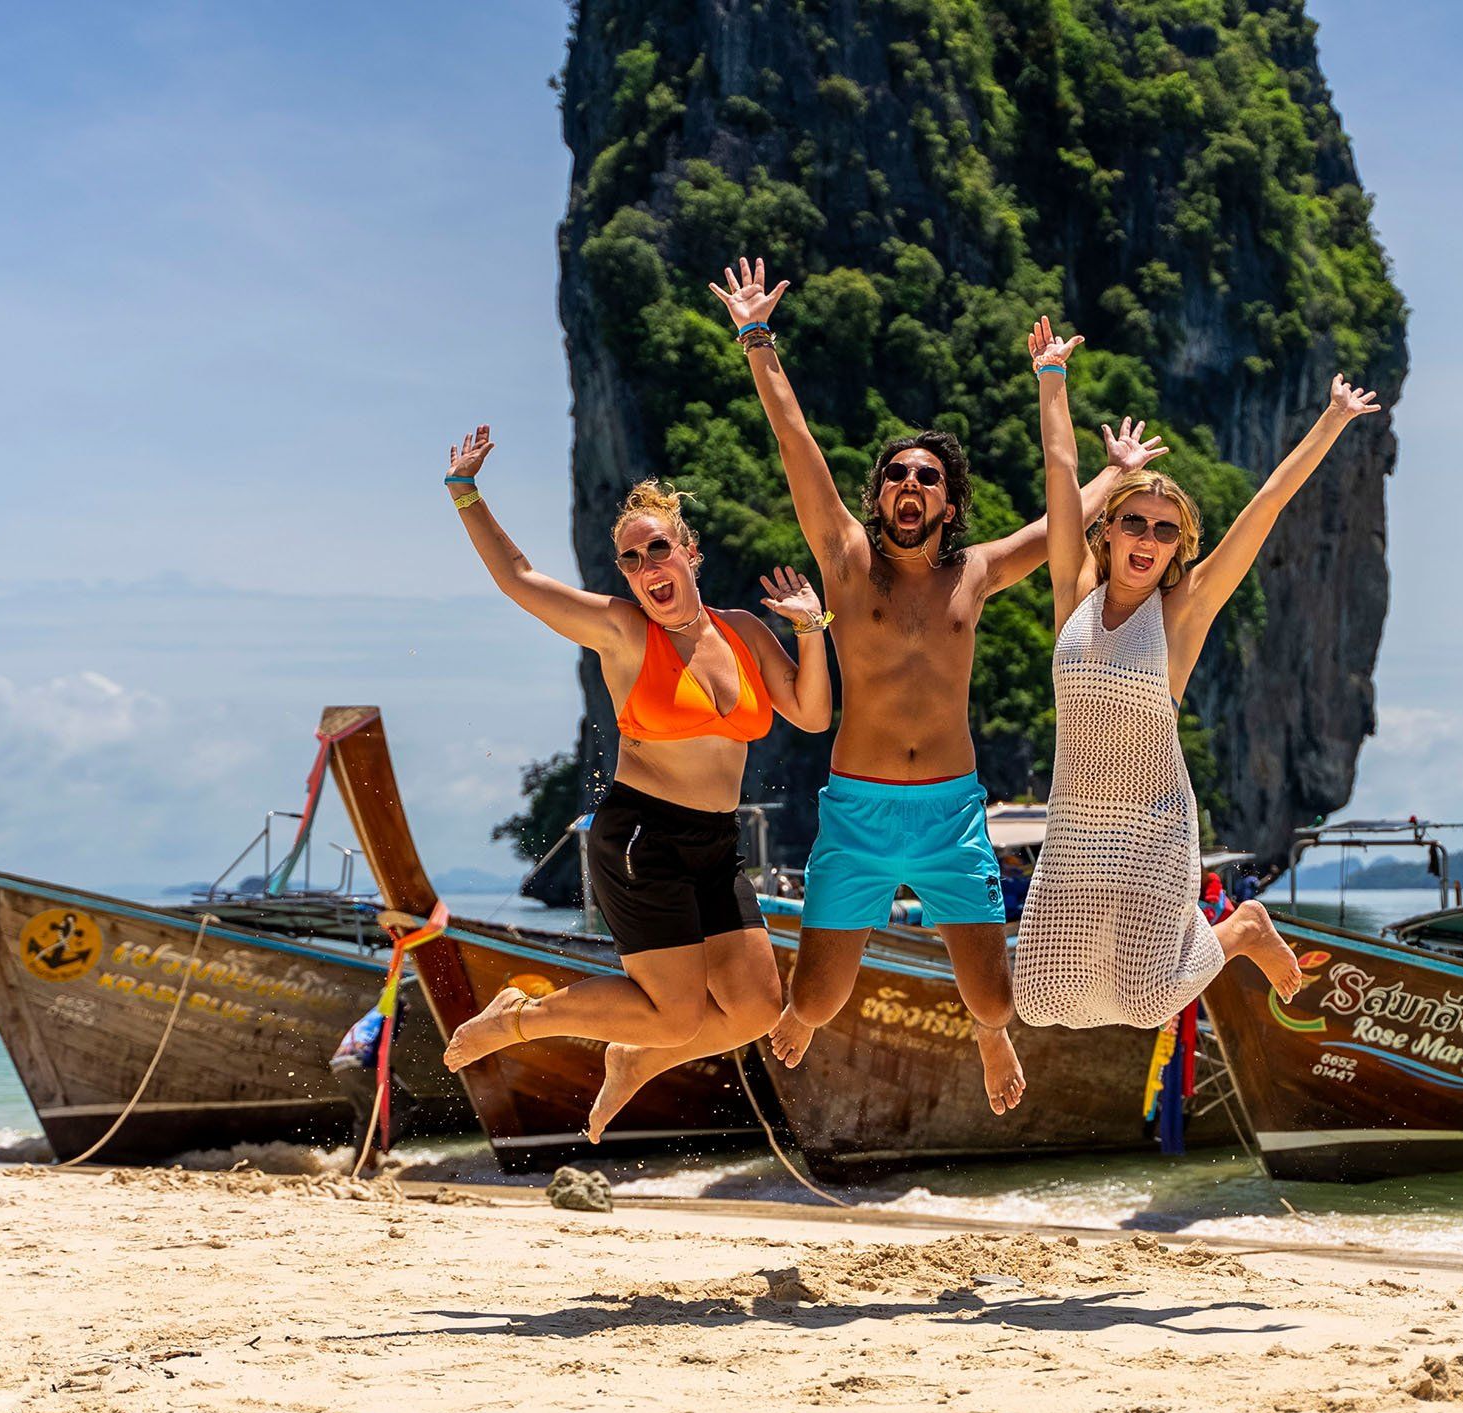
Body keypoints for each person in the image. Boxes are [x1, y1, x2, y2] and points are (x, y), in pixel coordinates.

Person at [708, 257, 1166, 1113]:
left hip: (953, 813)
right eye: (896, 475)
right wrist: (756, 338)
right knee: (813, 1000)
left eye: (927, 478)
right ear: (877, 495)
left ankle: (990, 1037)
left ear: (949, 503)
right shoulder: (845, 563)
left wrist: (1117, 474)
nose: (909, 486)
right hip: (858, 812)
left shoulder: (976, 573)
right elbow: (796, 444)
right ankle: (804, 1007)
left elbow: (1056, 526)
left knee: (995, 1001)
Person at [436, 426, 835, 1140]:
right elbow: (520, 580)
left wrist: (812, 630)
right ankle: (520, 1018)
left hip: (714, 843)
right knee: (676, 1011)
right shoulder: (623, 632)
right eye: (630, 556)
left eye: (658, 546)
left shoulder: (744, 630)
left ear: (688, 552)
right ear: (625, 574)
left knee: (753, 1009)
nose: (647, 563)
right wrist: (466, 494)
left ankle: (635, 1063)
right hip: (641, 838)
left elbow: (810, 713)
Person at [1012, 317, 1380, 1028]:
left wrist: (1332, 420)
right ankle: (1232, 934)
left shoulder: (1182, 616)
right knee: (1037, 998)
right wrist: (1051, 379)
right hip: (1077, 826)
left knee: (1150, 1003)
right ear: (1109, 530)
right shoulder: (1073, 594)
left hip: (1155, 824)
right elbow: (1061, 475)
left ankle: (1242, 929)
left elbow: (1266, 504)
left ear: (1179, 544)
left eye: (1166, 529)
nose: (1149, 540)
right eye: (1136, 523)